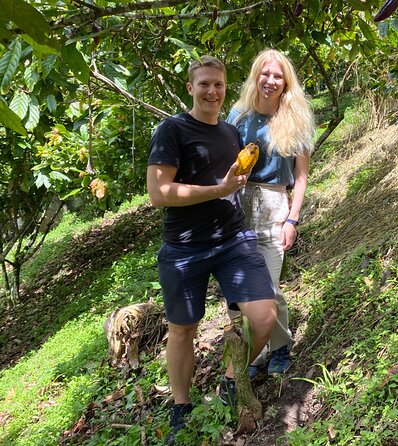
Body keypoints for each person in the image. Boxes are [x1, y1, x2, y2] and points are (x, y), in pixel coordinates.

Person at [146, 55, 277, 444]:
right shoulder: (172, 130)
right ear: (191, 87)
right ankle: (181, 407)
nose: (212, 91)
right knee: (183, 329)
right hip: (184, 248)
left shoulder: (230, 133)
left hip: (233, 239)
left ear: (225, 88)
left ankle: (230, 382)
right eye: (204, 84)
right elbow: (159, 193)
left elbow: (235, 179)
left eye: (218, 85)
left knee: (264, 317)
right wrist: (218, 190)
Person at [226, 49, 315, 379]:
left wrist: (292, 219)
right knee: (237, 286)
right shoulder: (238, 116)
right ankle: (251, 351)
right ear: (256, 76)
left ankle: (279, 347)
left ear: (285, 81)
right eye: (266, 74)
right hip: (236, 205)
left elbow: (302, 177)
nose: (271, 80)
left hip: (274, 203)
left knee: (267, 286)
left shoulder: (297, 120)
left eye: (278, 76)